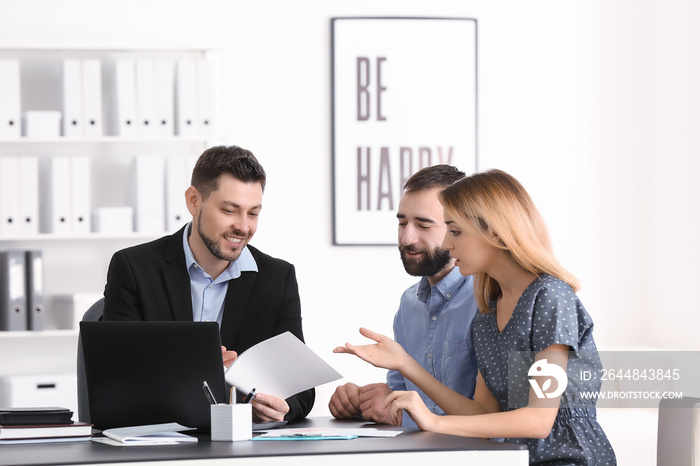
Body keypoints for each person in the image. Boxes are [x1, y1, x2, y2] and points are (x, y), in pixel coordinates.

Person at [335, 169, 616, 465]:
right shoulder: (487, 313)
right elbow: (482, 413)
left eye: (455, 231)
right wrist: (406, 364)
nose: (447, 244)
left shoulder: (550, 298)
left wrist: (434, 421)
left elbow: (539, 419)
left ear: (494, 232)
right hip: (512, 460)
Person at [103, 145, 314, 423]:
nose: (243, 227)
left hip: (241, 447)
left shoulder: (277, 278)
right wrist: (192, 370)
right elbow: (114, 378)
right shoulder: (133, 268)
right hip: (157, 439)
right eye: (230, 210)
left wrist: (284, 407)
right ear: (193, 201)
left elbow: (301, 388)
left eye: (253, 213)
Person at [329, 164, 479, 428]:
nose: (407, 237)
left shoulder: (488, 300)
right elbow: (400, 395)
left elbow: (496, 417)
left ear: (459, 228)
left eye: (423, 225)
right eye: (402, 223)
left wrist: (401, 415)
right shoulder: (409, 306)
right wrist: (365, 400)